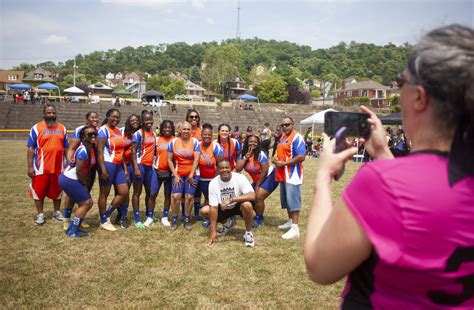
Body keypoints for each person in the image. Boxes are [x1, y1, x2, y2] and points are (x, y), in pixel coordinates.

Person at [304, 25, 474, 308]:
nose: (398, 90)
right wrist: (382, 152)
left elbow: (320, 267)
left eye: (399, 82)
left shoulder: (381, 183)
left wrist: (323, 178)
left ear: (420, 97)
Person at [27, 104, 68, 225]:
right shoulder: (36, 128)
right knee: (39, 191)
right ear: (44, 114)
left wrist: (68, 162)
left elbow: (66, 147)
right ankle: (40, 214)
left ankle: (56, 212)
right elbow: (31, 148)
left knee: (57, 191)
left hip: (58, 167)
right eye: (49, 113)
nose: (51, 115)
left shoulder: (62, 128)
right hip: (40, 167)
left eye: (53, 113)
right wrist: (30, 166)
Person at [200, 160, 256, 247]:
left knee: (247, 205)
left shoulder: (240, 177)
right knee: (204, 210)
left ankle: (248, 233)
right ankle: (228, 223)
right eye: (222, 168)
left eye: (227, 167)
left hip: (238, 205)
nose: (225, 170)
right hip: (223, 208)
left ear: (231, 168)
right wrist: (213, 231)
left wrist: (231, 200)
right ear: (217, 169)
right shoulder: (213, 183)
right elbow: (213, 208)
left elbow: (252, 195)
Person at [62, 111, 100, 230]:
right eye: (91, 117)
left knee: (84, 193)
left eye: (96, 117)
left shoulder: (97, 130)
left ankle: (79, 218)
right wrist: (69, 160)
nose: (94, 119)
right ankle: (66, 220)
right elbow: (72, 147)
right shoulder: (81, 130)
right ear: (86, 120)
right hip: (79, 165)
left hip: (90, 167)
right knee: (72, 194)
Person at [272, 116, 306, 239]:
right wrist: (275, 158)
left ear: (293, 124)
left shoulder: (297, 137)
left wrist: (284, 163)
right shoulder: (282, 137)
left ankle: (295, 228)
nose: (285, 127)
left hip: (292, 174)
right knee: (287, 200)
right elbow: (279, 151)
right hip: (282, 173)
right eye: (283, 125)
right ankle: (290, 221)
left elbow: (301, 157)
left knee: (294, 200)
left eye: (287, 124)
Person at [96, 108, 128, 231]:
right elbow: (99, 151)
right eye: (113, 116)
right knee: (104, 193)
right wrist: (103, 169)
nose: (115, 119)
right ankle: (104, 221)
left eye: (117, 117)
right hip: (107, 164)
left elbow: (121, 151)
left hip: (118, 165)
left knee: (124, 191)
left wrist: (124, 168)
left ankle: (107, 214)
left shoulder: (118, 131)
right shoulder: (103, 130)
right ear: (108, 116)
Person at [236, 135, 276, 228]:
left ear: (258, 144)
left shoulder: (260, 154)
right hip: (257, 179)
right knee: (249, 197)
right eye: (250, 141)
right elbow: (238, 168)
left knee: (258, 197)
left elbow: (265, 171)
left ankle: (259, 218)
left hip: (269, 176)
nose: (253, 143)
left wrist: (257, 185)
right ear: (246, 142)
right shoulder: (243, 154)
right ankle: (254, 213)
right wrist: (246, 158)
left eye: (255, 142)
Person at [167, 121, 201, 230]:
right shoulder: (173, 142)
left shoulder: (195, 141)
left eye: (188, 129)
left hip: (193, 174)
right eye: (184, 129)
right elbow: (169, 159)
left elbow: (196, 159)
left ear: (191, 130)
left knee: (189, 197)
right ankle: (175, 219)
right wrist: (175, 175)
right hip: (178, 174)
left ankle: (186, 218)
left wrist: (191, 175)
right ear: (180, 130)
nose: (186, 131)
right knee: (176, 196)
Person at [131, 111, 157, 228]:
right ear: (142, 121)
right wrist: (136, 168)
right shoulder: (139, 133)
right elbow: (133, 151)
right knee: (137, 192)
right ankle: (137, 218)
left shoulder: (154, 134)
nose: (149, 122)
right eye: (146, 120)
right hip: (140, 165)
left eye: (150, 119)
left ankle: (148, 214)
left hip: (149, 167)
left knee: (149, 192)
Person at [115, 114, 140, 228]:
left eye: (136, 120)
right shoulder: (122, 132)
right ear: (128, 122)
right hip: (124, 164)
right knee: (125, 191)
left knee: (135, 191)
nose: (134, 122)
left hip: (137, 164)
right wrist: (125, 168)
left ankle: (125, 215)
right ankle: (122, 215)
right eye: (132, 120)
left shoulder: (141, 132)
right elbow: (120, 151)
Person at [149, 120, 175, 227]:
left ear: (172, 128)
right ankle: (150, 216)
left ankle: (164, 217)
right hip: (157, 170)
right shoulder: (157, 139)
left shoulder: (175, 140)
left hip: (170, 172)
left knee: (167, 195)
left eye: (169, 127)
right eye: (165, 127)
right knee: (152, 194)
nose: (167, 129)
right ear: (161, 128)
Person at [197, 123, 224, 225]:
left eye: (209, 135)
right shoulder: (198, 145)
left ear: (212, 135)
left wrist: (214, 179)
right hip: (201, 178)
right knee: (207, 198)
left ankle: (213, 219)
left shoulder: (216, 146)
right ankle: (207, 216)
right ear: (202, 135)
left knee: (213, 199)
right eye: (205, 134)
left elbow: (220, 164)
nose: (207, 136)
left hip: (213, 178)